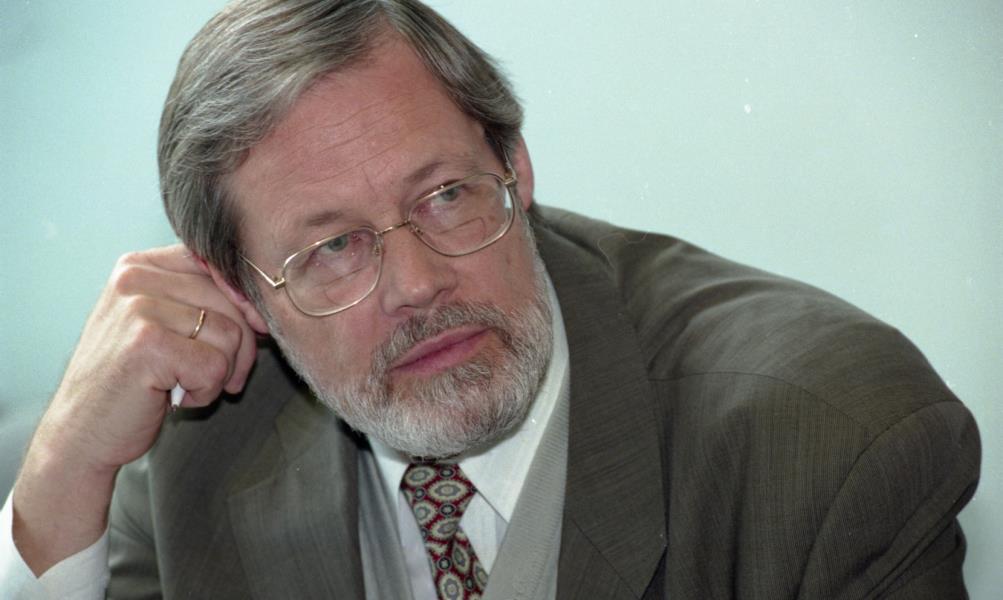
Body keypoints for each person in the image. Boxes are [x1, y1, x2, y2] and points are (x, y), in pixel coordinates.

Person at [0, 0, 980, 598]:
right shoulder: (198, 440)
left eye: (445, 196)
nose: (418, 283)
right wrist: (57, 477)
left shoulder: (828, 441)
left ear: (516, 165)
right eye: (334, 248)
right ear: (239, 291)